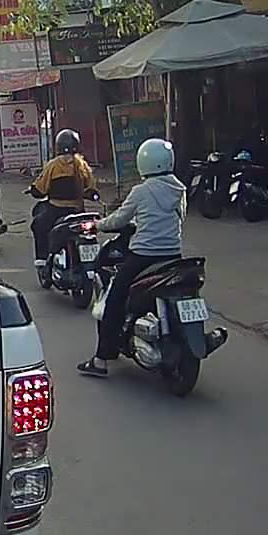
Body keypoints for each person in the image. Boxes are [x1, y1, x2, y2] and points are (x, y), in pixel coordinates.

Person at [78, 139, 185, 378]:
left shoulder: (141, 191)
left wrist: (98, 225)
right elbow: (178, 218)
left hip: (143, 256)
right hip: (173, 255)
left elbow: (119, 219)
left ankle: (101, 359)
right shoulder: (180, 189)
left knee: (114, 299)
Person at [29, 129, 97, 267]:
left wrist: (34, 190)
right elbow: (91, 188)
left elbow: (40, 189)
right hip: (78, 211)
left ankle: (42, 260)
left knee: (37, 225)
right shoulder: (82, 164)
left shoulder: (53, 165)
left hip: (56, 210)